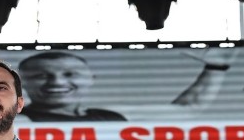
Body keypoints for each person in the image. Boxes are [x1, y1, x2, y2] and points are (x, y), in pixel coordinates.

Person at [16, 50, 232, 122]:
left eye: (70, 74)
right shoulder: (19, 122)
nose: (57, 82)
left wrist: (216, 67)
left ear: (91, 79)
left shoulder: (111, 116)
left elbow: (188, 108)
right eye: (41, 76)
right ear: (23, 83)